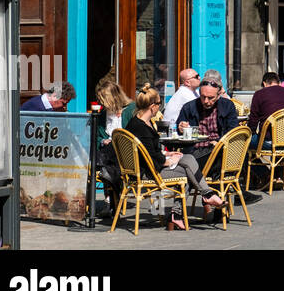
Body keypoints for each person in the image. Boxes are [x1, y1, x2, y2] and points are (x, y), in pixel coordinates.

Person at [125, 83, 223, 229]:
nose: (160, 107)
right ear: (153, 106)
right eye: (159, 104)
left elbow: (147, 151)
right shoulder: (142, 127)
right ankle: (203, 197)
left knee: (188, 160)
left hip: (145, 168)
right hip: (147, 173)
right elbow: (152, 159)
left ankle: (187, 208)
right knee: (190, 169)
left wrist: (168, 153)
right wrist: (168, 160)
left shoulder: (139, 123)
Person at [176, 77, 239, 167]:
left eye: (210, 98)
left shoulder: (227, 106)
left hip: (218, 149)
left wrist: (219, 142)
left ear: (218, 95)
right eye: (203, 96)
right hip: (195, 151)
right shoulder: (189, 107)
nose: (206, 101)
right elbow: (177, 132)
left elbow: (233, 130)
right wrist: (181, 128)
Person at [95, 77, 135, 146]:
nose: (100, 103)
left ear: (114, 98)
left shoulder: (132, 110)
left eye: (102, 100)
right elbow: (96, 137)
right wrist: (103, 141)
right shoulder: (103, 114)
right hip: (107, 152)